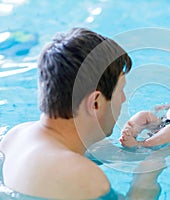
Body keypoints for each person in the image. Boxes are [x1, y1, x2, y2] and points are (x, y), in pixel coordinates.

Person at [0, 27, 161, 199]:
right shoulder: (84, 177)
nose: (123, 99)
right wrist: (146, 177)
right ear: (96, 103)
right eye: (120, 90)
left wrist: (138, 149)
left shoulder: (16, 136)